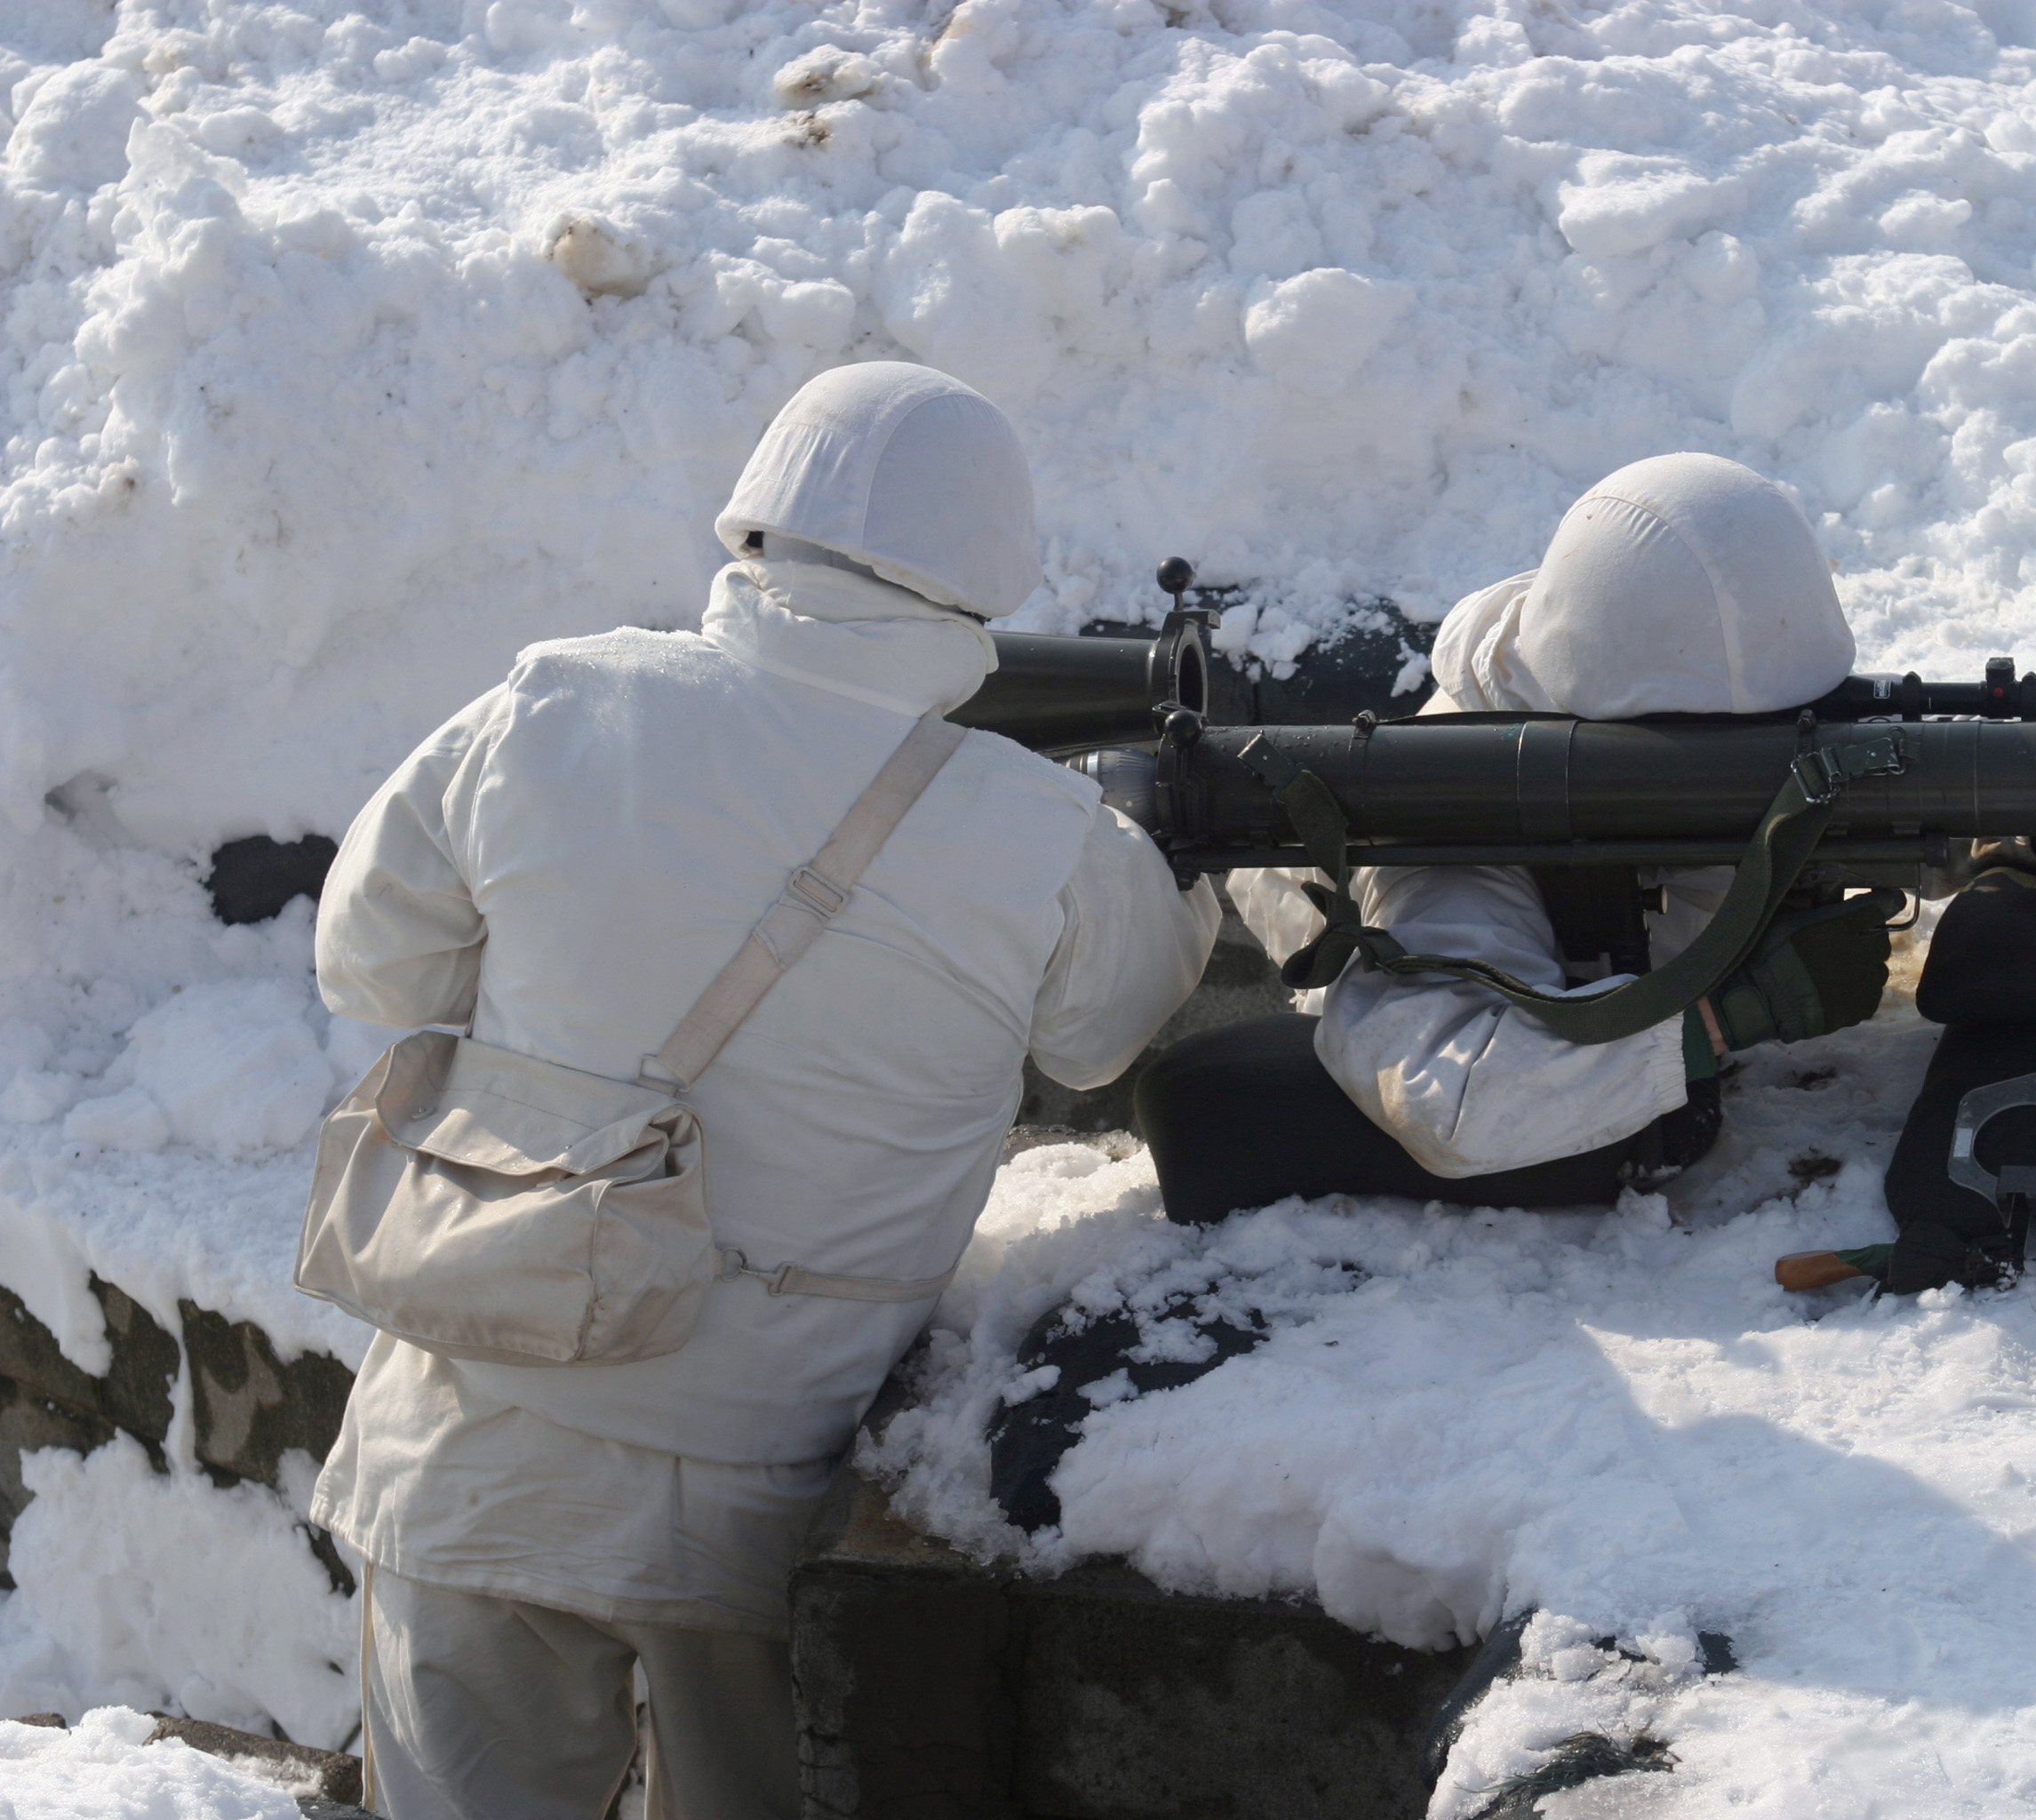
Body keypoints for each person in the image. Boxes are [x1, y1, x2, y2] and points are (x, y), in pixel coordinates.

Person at [308, 363, 1220, 1818]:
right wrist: (1166, 858)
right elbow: (1107, 1035)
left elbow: (372, 963)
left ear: (753, 529)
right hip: (750, 1492)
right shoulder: (1043, 838)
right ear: (984, 577)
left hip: (471, 1419)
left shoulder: (552, 698)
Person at [1138, 452, 1887, 1223]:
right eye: (1720, 744)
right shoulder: (1461, 819)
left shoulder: (1685, 651)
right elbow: (1452, 1100)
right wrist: (1727, 1017)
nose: (1752, 759)